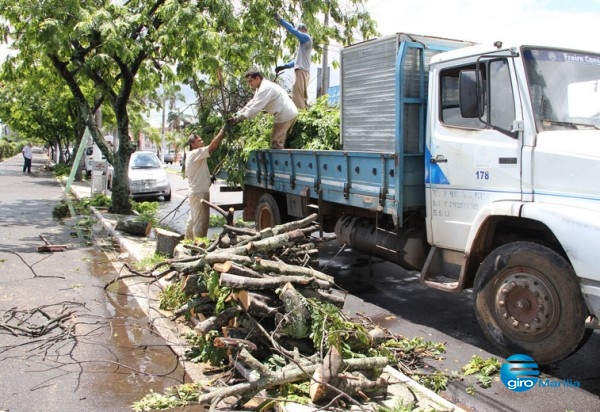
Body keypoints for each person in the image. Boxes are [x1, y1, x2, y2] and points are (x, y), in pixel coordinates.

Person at [228, 68, 298, 149]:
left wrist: (238, 119)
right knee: (281, 141)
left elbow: (255, 108)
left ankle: (280, 161)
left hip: (285, 115)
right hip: (286, 114)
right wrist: (238, 113)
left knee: (276, 144)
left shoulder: (265, 88)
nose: (249, 84)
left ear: (257, 78)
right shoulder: (261, 87)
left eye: (250, 81)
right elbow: (252, 102)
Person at [184, 126, 227, 240]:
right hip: (199, 194)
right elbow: (213, 147)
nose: (202, 142)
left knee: (193, 220)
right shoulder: (195, 153)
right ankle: (199, 247)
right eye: (199, 141)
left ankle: (187, 243)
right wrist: (222, 131)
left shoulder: (193, 155)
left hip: (195, 192)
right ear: (193, 144)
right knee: (201, 223)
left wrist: (208, 178)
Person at [274, 13, 313, 110]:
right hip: (304, 72)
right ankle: (305, 111)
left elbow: (292, 30)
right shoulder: (303, 45)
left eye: (300, 30)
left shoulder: (306, 38)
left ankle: (298, 113)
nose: (299, 32)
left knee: (297, 95)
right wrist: (284, 66)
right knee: (302, 95)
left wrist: (281, 20)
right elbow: (295, 61)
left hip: (302, 72)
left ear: (303, 30)